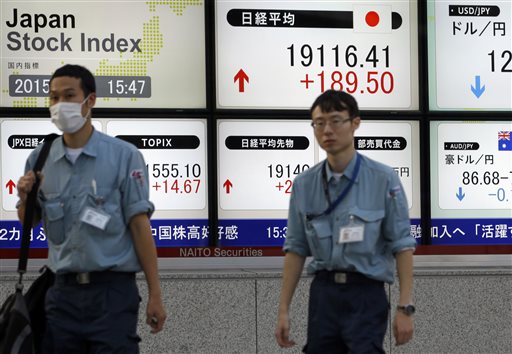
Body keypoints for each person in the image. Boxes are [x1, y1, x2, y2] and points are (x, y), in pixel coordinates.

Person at [16, 64, 167, 353]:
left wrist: (155, 294)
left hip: (112, 293)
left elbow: (139, 226)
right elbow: (29, 222)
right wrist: (25, 198)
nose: (60, 105)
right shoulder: (40, 158)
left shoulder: (124, 156)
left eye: (69, 95)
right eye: (54, 97)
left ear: (90, 100)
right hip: (61, 294)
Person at [275, 89, 416, 353]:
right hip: (323, 294)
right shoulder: (304, 185)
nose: (327, 130)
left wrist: (404, 307)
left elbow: (402, 246)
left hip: (366, 293)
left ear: (355, 123)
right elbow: (295, 248)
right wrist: (284, 309)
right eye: (319, 123)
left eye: (336, 120)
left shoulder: (383, 179)